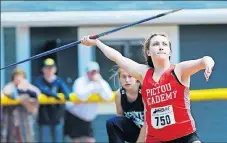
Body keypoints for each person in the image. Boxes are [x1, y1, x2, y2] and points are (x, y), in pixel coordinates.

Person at [81, 33, 215, 143]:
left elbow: (204, 60)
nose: (161, 47)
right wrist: (97, 43)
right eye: (156, 44)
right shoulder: (143, 74)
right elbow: (117, 57)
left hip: (185, 137)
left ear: (169, 51)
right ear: (148, 52)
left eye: (164, 44)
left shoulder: (179, 70)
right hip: (156, 139)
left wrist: (208, 63)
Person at [64, 61, 113, 143]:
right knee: (75, 141)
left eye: (95, 72)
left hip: (87, 119)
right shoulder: (80, 81)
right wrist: (93, 86)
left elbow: (108, 97)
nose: (93, 74)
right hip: (74, 116)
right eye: (91, 72)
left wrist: (99, 83)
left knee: (90, 140)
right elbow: (81, 96)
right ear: (87, 72)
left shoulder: (101, 82)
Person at [35, 58, 71, 142]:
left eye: (51, 67)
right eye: (47, 67)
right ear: (43, 69)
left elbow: (67, 94)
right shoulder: (39, 80)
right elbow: (42, 89)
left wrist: (61, 96)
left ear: (55, 69)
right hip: (44, 118)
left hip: (57, 117)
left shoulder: (58, 81)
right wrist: (54, 95)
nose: (49, 70)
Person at [1, 67, 40, 142]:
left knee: (27, 138)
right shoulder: (9, 86)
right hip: (11, 120)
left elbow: (37, 93)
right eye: (16, 76)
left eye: (21, 76)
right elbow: (8, 92)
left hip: (26, 120)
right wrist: (20, 93)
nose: (18, 78)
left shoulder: (28, 87)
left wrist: (26, 90)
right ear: (13, 78)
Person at [106, 67, 144, 143]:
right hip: (133, 130)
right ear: (119, 78)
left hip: (149, 131)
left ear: (136, 77)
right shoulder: (119, 94)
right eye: (123, 77)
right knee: (112, 122)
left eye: (130, 76)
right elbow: (120, 120)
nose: (127, 80)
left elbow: (148, 123)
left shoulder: (144, 92)